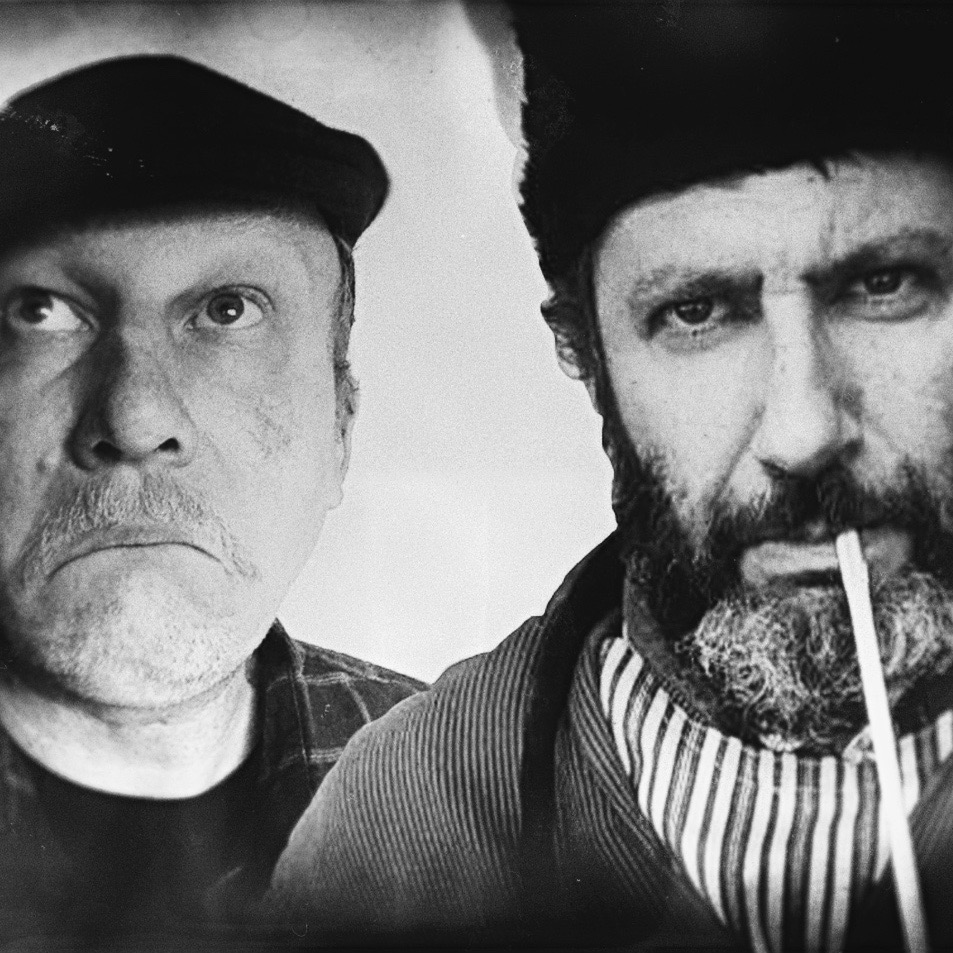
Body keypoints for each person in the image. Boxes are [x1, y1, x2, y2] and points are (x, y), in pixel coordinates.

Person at [271, 3, 953, 950]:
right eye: (696, 311)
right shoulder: (408, 821)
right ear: (585, 354)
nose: (802, 433)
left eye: (882, 286)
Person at [0, 55, 423, 946]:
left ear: (339, 432)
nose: (134, 419)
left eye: (228, 310)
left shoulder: (488, 799)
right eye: (41, 312)